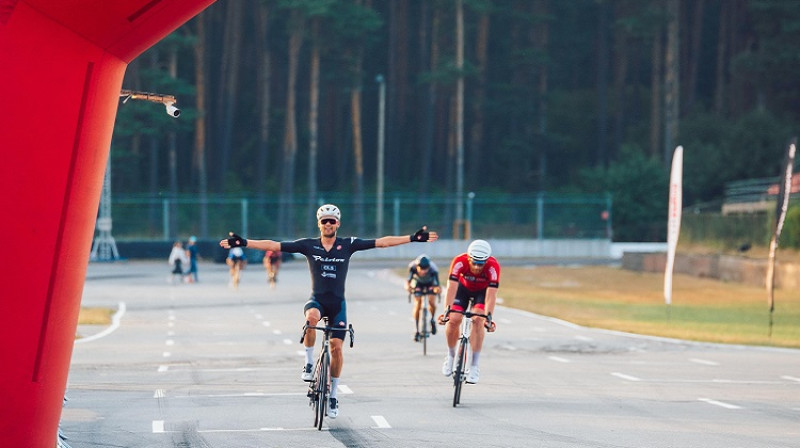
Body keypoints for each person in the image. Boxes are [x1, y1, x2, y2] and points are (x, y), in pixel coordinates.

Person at [219, 204, 437, 418]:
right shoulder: (308, 245)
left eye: (332, 221)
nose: (328, 224)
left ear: (338, 224)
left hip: (338, 305)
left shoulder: (348, 244)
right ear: (319, 224)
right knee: (311, 319)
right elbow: (274, 246)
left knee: (336, 348)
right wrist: (245, 243)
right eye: (324, 221)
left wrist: (412, 238)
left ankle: (333, 395)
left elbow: (382, 243)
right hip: (317, 300)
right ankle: (308, 360)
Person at [438, 239, 499, 384]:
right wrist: (447, 310)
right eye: (475, 262)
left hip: (481, 293)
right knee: (454, 319)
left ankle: (474, 365)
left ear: (486, 260)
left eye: (481, 263)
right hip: (462, 290)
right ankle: (451, 356)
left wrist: (488, 318)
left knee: (478, 320)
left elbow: (491, 294)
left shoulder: (493, 266)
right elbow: (451, 287)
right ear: (469, 258)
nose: (477, 267)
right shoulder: (459, 261)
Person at [405, 255, 441, 342]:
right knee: (417, 303)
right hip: (418, 283)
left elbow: (437, 286)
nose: (423, 271)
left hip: (430, 283)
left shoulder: (433, 269)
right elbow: (408, 282)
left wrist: (437, 290)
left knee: (432, 302)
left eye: (426, 269)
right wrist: (408, 288)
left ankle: (432, 319)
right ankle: (416, 329)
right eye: (421, 268)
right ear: (417, 267)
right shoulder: (412, 267)